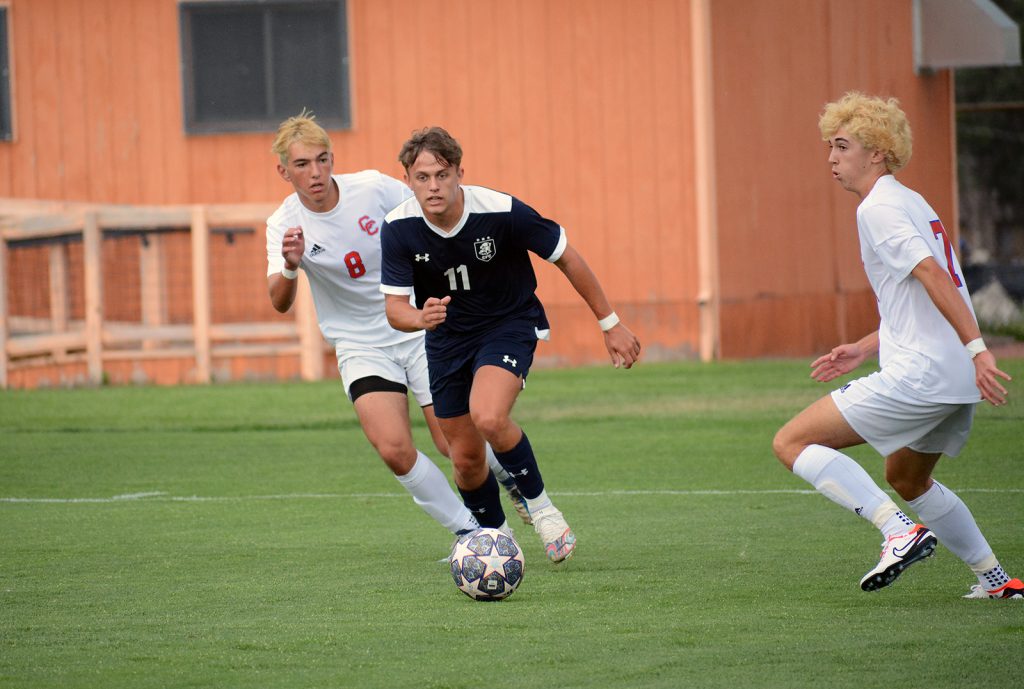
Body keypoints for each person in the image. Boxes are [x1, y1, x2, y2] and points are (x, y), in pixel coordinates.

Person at [772, 92, 1020, 599]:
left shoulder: (878, 209)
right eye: (830, 146)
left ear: (878, 152)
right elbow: (923, 294)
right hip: (952, 377)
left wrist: (980, 349)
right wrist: (865, 347)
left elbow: (932, 276)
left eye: (843, 146)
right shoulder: (910, 200)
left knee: (791, 443)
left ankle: (898, 531)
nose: (831, 158)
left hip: (924, 374)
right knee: (907, 478)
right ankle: (997, 582)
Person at [380, 126, 642, 563]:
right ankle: (497, 544)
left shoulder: (501, 211)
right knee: (465, 459)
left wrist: (610, 323)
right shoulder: (398, 228)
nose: (433, 186)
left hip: (508, 324)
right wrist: (420, 318)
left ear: (460, 173)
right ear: (407, 180)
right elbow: (394, 309)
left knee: (488, 414)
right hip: (446, 341)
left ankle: (543, 509)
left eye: (442, 175)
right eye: (422, 177)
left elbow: (566, 256)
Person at [265, 112, 530, 540]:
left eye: (322, 159)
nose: (315, 172)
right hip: (360, 345)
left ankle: (510, 477)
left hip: (418, 327)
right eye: (302, 164)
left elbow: (431, 213)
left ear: (332, 159)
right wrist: (291, 266)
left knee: (451, 443)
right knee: (393, 449)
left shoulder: (371, 188)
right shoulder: (283, 225)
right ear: (284, 171)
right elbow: (279, 302)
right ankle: (473, 536)